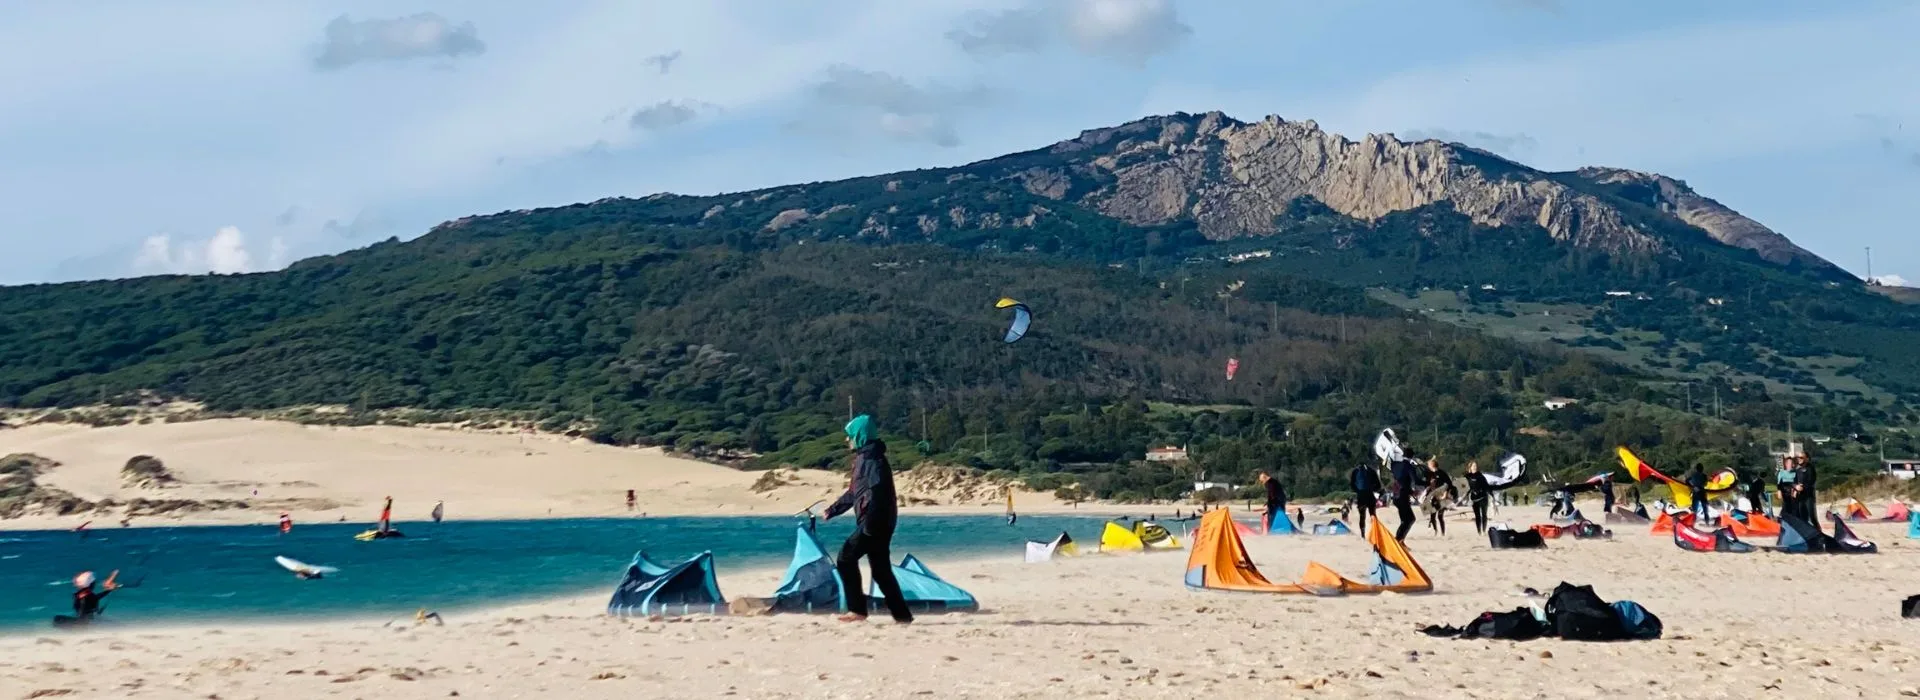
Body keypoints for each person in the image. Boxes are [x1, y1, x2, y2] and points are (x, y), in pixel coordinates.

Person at [823, 415, 912, 625]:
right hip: (878, 522)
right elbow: (855, 492)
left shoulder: (873, 460)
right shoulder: (865, 458)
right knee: (881, 571)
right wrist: (833, 510)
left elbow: (879, 493)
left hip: (875, 522)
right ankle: (902, 615)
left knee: (846, 558)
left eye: (850, 436)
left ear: (860, 435)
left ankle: (857, 610)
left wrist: (871, 525)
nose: (847, 440)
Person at [1421, 458, 1453, 536]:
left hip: (1442, 496)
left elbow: (1449, 484)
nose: (1428, 466)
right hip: (1433, 496)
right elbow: (1428, 486)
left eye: (1429, 465)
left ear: (1432, 465)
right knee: (1432, 516)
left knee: (1440, 516)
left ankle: (1443, 533)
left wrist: (1445, 494)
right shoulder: (1429, 474)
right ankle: (1435, 531)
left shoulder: (1442, 473)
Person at [1389, 457, 1418, 541]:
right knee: (1410, 519)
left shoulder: (1396, 466)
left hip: (1397, 497)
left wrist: (1411, 492)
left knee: (1405, 520)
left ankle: (1400, 541)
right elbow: (1404, 485)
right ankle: (1398, 540)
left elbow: (1401, 483)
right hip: (1402, 497)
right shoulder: (1406, 466)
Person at [1349, 463, 1382, 535]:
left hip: (1361, 496)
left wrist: (1358, 491)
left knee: (1362, 516)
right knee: (1373, 515)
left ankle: (1363, 534)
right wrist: (1372, 489)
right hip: (1370, 495)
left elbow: (1352, 484)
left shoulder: (1355, 471)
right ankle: (1375, 533)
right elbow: (1378, 486)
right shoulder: (1371, 471)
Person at [1464, 461, 1491, 534]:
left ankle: (1484, 530)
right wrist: (1465, 495)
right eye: (1473, 466)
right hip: (1474, 498)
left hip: (1483, 497)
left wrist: (1491, 495)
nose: (1475, 467)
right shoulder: (1467, 476)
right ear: (1470, 467)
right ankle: (1479, 531)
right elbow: (1464, 487)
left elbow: (1487, 486)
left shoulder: (1481, 476)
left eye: (1476, 466)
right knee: (1477, 515)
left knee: (1484, 514)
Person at [1794, 454, 1817, 523]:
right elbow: (1794, 481)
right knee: (1803, 517)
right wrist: (1795, 487)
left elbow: (1811, 481)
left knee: (1812, 517)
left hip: (1808, 496)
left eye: (1801, 457)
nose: (1799, 459)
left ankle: (1818, 532)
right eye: (1798, 458)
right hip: (1800, 497)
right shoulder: (1798, 470)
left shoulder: (1811, 468)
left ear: (1806, 459)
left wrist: (1802, 487)